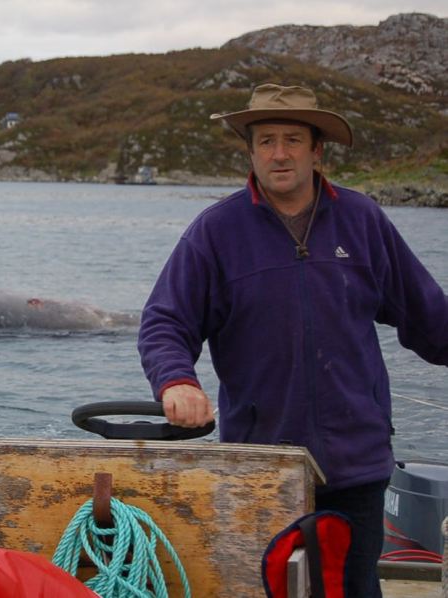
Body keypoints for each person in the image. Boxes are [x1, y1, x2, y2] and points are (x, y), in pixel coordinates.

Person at [137, 83, 448, 597]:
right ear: (251, 152)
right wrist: (176, 381)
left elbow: (429, 315)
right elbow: (165, 321)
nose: (279, 153)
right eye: (266, 141)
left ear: (317, 150)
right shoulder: (216, 231)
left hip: (356, 465)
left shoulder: (363, 220)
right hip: (261, 466)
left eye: (293, 140)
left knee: (354, 590)